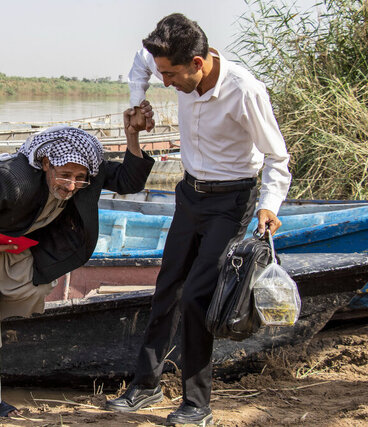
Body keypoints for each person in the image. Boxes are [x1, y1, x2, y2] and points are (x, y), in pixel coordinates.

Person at [106, 13, 291, 426]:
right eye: (161, 74)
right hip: (189, 194)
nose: (166, 83)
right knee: (167, 286)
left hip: (231, 200)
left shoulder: (245, 92)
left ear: (199, 61)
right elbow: (141, 64)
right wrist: (139, 100)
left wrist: (269, 205)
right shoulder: (167, 64)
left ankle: (197, 404)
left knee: (197, 298)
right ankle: (147, 383)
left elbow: (278, 158)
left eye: (171, 75)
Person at [0, 102, 155, 418]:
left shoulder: (85, 171)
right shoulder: (12, 179)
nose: (71, 185)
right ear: (46, 163)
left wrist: (132, 136)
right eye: (64, 175)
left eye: (80, 178)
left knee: (35, 286)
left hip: (9, 250)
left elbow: (130, 182)